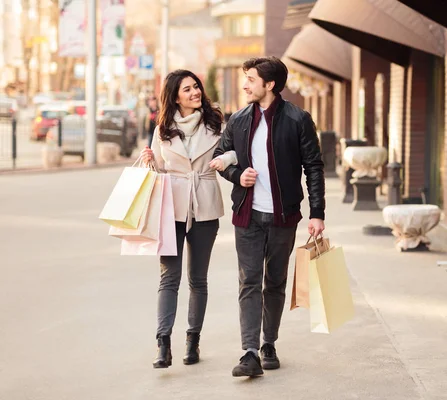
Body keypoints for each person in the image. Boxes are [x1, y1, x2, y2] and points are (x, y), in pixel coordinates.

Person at [213, 56, 326, 378]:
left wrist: (317, 213)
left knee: (274, 282)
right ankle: (249, 352)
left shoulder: (297, 119)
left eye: (250, 78)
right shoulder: (238, 120)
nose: (245, 84)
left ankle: (269, 343)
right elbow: (222, 159)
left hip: (283, 215)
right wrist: (237, 176)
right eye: (245, 77)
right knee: (249, 281)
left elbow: (313, 167)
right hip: (247, 215)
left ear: (270, 84)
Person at [140, 69, 237, 369]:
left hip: (206, 205)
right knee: (168, 279)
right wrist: (150, 162)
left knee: (198, 279)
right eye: (187, 89)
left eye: (196, 87)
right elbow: (159, 171)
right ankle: (163, 344)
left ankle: (192, 340)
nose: (195, 92)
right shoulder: (162, 130)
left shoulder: (215, 123)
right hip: (172, 208)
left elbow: (236, 152)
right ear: (175, 97)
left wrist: (226, 159)